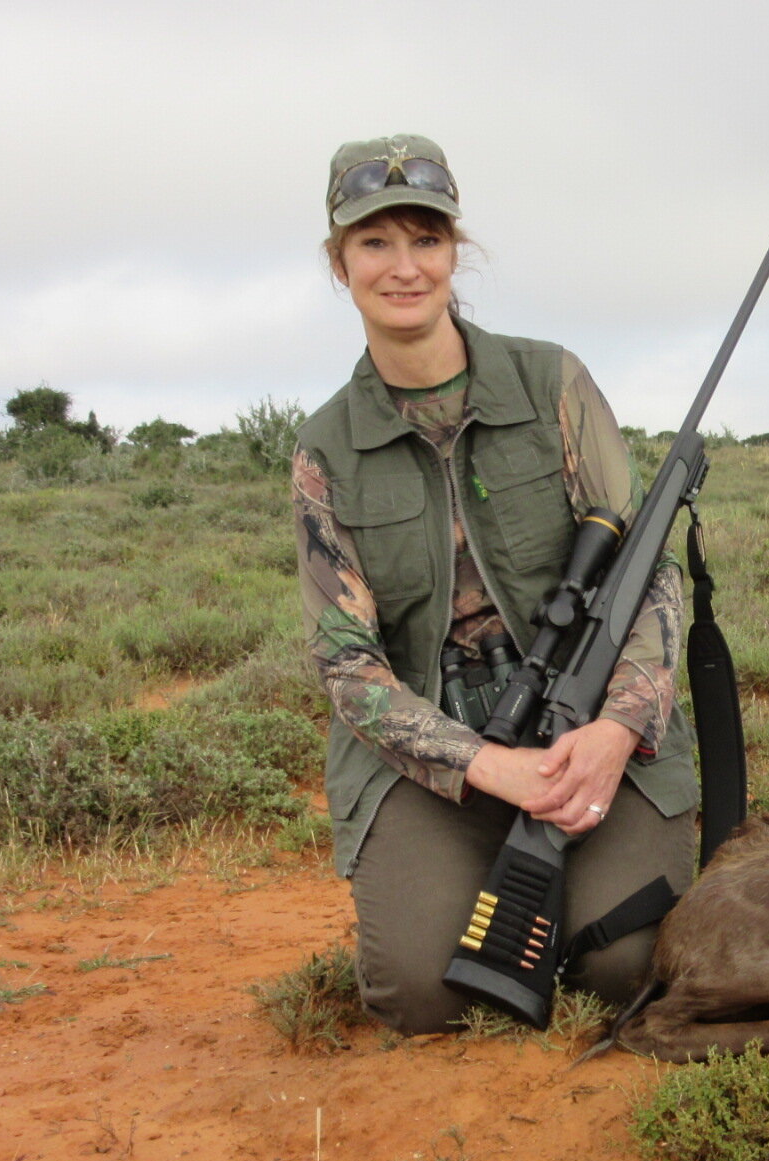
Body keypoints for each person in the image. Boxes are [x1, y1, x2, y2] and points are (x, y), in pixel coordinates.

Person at [292, 134, 698, 1034]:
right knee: (420, 994)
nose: (405, 268)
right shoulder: (326, 448)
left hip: (586, 722)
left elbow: (650, 575)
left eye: (426, 241)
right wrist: (484, 765)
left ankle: (566, 903)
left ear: (455, 251)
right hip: (436, 746)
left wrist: (616, 729)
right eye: (375, 244)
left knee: (632, 962)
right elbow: (348, 667)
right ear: (339, 262)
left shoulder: (552, 380)